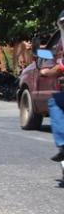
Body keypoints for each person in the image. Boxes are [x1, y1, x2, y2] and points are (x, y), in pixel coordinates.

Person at [40, 11, 64, 163]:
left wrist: (47, 72)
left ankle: (62, 145)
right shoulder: (61, 43)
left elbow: (61, 67)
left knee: (54, 102)